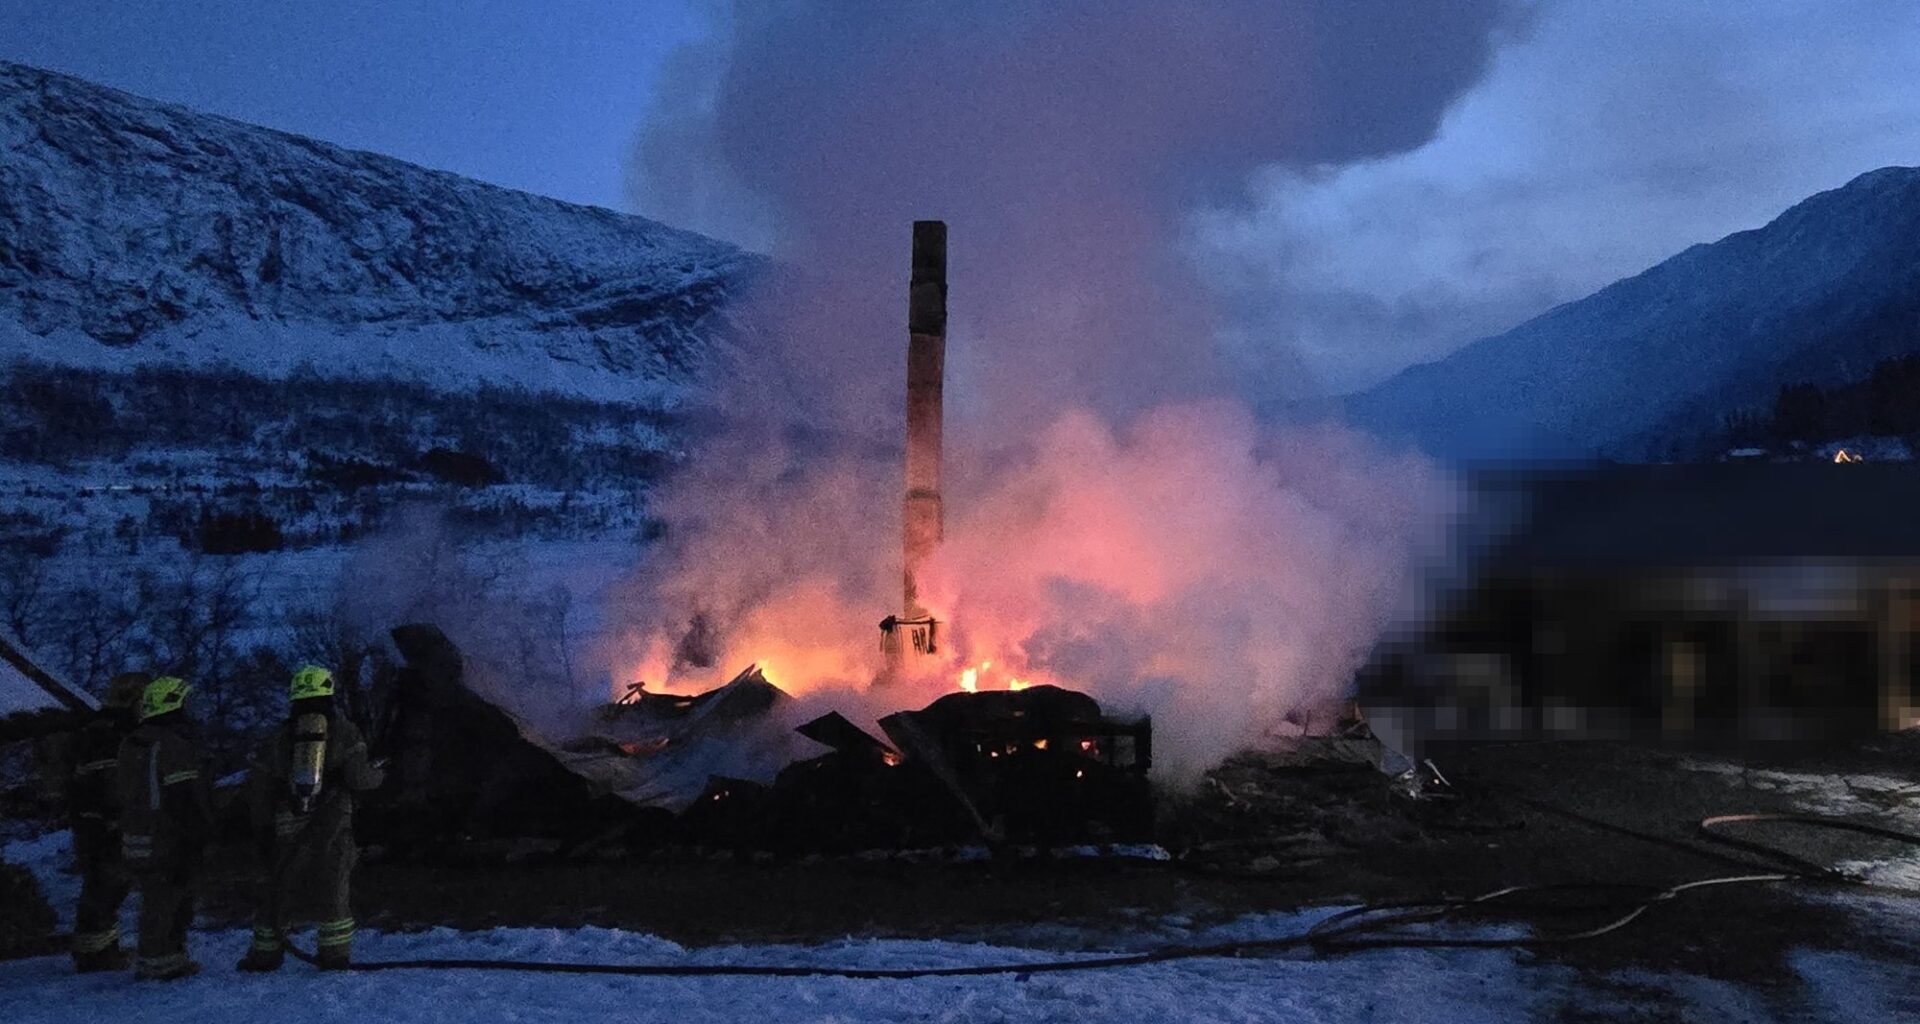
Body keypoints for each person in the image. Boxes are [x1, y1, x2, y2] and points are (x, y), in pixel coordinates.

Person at [238, 665, 385, 972]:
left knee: (279, 886)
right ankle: (334, 955)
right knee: (332, 885)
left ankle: (264, 954)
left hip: (286, 821)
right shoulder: (344, 730)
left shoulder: (277, 737)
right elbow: (359, 778)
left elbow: (259, 788)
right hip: (332, 820)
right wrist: (381, 776)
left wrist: (263, 828)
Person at [116, 676, 212, 981]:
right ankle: (159, 961)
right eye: (186, 702)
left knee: (155, 897)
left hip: (136, 837)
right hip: (167, 839)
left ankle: (163, 956)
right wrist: (199, 833)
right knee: (169, 899)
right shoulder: (172, 744)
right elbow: (181, 798)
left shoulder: (132, 742)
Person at [61, 672, 146, 972]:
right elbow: (111, 781)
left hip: (92, 822)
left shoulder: (97, 729)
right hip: (104, 824)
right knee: (106, 885)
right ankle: (95, 954)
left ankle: (99, 948)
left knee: (104, 885)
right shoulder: (111, 735)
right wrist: (120, 817)